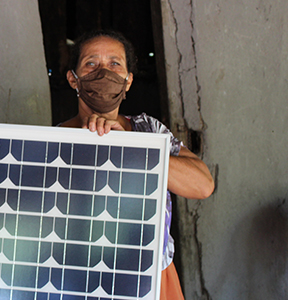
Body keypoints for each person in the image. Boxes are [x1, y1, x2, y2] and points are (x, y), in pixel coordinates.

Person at [60, 30, 215, 300]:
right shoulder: (52, 141)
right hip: (78, 280)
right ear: (74, 79)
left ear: (128, 81)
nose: (104, 72)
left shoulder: (148, 130)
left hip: (154, 279)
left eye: (115, 64)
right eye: (91, 63)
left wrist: (133, 147)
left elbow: (202, 185)